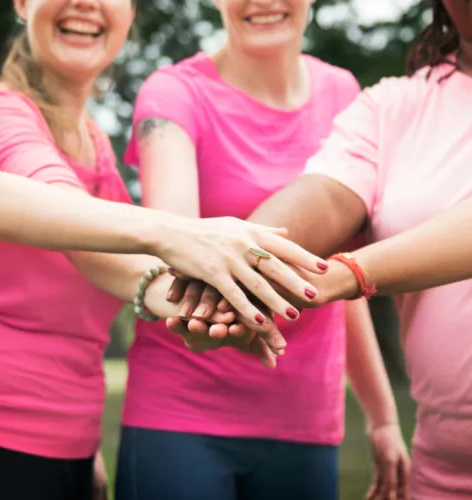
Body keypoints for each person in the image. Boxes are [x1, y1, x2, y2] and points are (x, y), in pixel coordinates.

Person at [0, 1, 325, 499]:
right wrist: (179, 236)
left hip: (51, 441)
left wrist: (204, 304)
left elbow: (113, 266)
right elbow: (23, 207)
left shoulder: (94, 140)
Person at [174, 1, 472, 498]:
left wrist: (347, 273)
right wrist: (227, 275)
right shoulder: (393, 105)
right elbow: (324, 194)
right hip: (444, 477)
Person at [117, 1, 410, 499]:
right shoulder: (174, 94)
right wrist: (208, 325)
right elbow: (177, 244)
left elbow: (336, 274)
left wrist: (382, 417)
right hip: (180, 413)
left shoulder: (343, 93)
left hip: (305, 418)